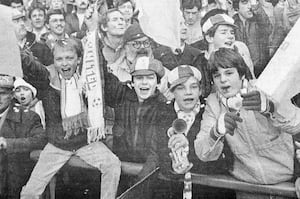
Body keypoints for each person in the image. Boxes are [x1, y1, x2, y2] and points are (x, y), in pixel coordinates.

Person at [20, 38, 121, 199]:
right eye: (59, 59)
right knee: (30, 192)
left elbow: (99, 66)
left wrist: (93, 31)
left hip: (86, 143)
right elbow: (32, 67)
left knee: (113, 165)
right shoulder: (47, 80)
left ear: (79, 59)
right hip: (57, 146)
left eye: (69, 58)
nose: (64, 64)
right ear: (53, 61)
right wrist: (19, 51)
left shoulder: (88, 80)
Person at [194, 48, 299, 198]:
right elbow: (203, 153)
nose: (223, 79)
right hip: (248, 187)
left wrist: (272, 108)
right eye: (217, 75)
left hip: (286, 183)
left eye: (229, 73)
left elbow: (296, 125)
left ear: (242, 73)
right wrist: (215, 132)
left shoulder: (263, 88)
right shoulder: (213, 103)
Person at [153, 65, 234, 199]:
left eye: (193, 87)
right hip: (174, 192)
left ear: (201, 90)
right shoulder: (162, 113)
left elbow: (226, 159)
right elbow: (157, 153)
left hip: (209, 193)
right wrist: (173, 167)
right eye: (180, 88)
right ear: (172, 92)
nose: (188, 92)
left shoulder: (211, 112)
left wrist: (189, 154)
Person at [0, 74, 46, 199]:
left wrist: (8, 144)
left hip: (12, 179)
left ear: (11, 95)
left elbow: (41, 139)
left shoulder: (28, 117)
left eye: (2, 93)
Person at [153, 18, 212, 98]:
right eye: (180, 24)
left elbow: (204, 87)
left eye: (185, 24)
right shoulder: (157, 55)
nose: (184, 27)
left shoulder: (197, 54)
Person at [200, 9, 255, 78]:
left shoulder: (238, 58)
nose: (230, 36)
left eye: (232, 32)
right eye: (224, 32)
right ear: (209, 38)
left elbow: (250, 82)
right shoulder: (200, 64)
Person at [232, 0, 272, 77]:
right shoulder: (232, 23)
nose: (250, 6)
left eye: (252, 2)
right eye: (245, 2)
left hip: (261, 69)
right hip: (242, 71)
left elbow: (268, 29)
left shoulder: (259, 20)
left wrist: (257, 8)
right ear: (237, 6)